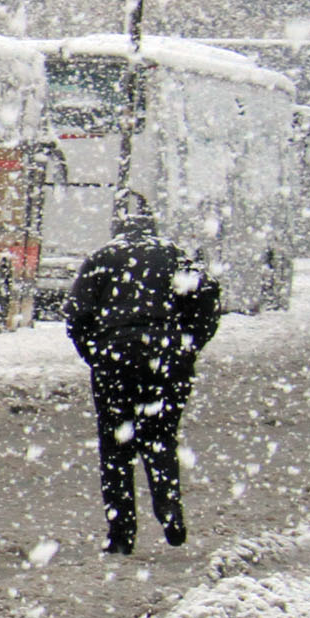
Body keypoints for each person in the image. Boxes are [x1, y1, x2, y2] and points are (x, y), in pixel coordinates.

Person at [66, 189, 223, 553]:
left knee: (116, 445)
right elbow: (208, 298)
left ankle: (121, 533)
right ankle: (169, 510)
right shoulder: (174, 256)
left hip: (115, 357)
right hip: (166, 356)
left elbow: (76, 316)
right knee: (161, 435)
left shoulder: (102, 259)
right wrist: (188, 343)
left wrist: (96, 353)